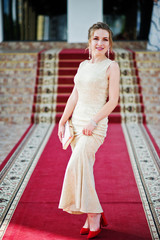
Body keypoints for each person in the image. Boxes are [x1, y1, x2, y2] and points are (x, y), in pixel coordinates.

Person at [58, 22, 120, 239]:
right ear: (89, 41)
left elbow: (113, 101)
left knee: (76, 165)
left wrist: (93, 121)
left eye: (105, 39)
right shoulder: (83, 66)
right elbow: (74, 95)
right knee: (85, 169)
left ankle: (94, 214)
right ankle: (92, 216)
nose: (100, 43)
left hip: (94, 125)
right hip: (76, 124)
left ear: (110, 43)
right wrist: (63, 120)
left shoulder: (111, 66)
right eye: (96, 38)